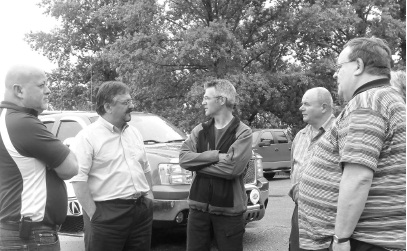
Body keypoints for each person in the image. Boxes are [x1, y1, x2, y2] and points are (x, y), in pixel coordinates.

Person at [298, 37, 406, 251]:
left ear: (358, 66)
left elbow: (358, 177)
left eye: (339, 67)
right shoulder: (384, 98)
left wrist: (341, 238)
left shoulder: (368, 102)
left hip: (363, 241)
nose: (335, 74)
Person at [0, 65, 78, 250]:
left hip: (18, 233)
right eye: (42, 85)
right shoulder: (23, 123)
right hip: (30, 236)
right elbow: (70, 168)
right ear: (19, 90)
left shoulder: (8, 119)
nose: (48, 90)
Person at [70, 81, 154, 251]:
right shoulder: (87, 137)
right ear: (108, 107)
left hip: (140, 212)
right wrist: (95, 215)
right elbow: (78, 180)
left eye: (130, 101)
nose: (131, 106)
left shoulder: (134, 133)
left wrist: (149, 197)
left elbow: (145, 168)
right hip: (107, 214)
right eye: (126, 103)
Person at [179, 79, 252, 251]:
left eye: (206, 97)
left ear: (221, 100)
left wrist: (197, 164)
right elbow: (183, 159)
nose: (203, 102)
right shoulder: (200, 130)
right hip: (198, 210)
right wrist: (216, 156)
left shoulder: (243, 132)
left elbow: (232, 169)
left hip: (229, 214)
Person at [288, 87, 335, 251]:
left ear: (323, 107)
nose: (301, 108)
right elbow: (293, 169)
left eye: (306, 104)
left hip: (329, 218)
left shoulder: (341, 133)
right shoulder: (299, 136)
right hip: (300, 213)